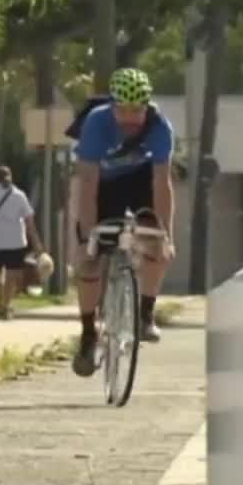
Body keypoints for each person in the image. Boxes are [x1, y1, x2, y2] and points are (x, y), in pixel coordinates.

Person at [70, 67, 176, 377]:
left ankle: (145, 314)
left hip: (141, 180)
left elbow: (162, 184)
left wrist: (166, 235)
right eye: (123, 111)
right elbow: (87, 184)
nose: (130, 118)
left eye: (136, 111)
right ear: (112, 106)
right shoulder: (96, 123)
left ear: (147, 107)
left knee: (156, 242)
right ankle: (88, 333)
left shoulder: (159, 127)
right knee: (90, 258)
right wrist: (86, 239)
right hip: (103, 184)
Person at [0, 165, 43, 318]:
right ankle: (6, 306)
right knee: (12, 275)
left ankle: (0, 304)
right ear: (10, 178)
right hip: (15, 242)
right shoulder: (19, 195)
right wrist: (36, 242)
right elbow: (29, 222)